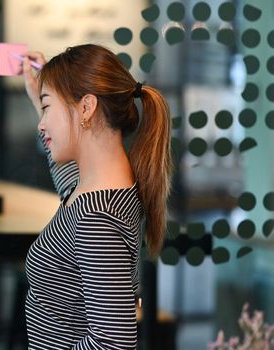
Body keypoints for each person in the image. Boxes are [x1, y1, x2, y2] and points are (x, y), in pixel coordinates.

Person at [19, 44, 172, 349]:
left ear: (87, 108)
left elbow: (113, 342)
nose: (41, 123)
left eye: (48, 108)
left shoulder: (97, 216)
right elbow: (68, 185)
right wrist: (40, 96)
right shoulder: (101, 189)